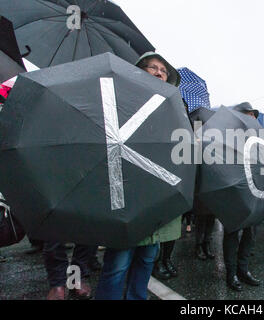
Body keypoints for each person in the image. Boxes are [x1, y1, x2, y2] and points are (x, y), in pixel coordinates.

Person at [95, 52, 181, 300]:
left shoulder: (172, 106)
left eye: (163, 70)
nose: (159, 73)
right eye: (152, 67)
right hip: (128, 190)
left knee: (147, 259)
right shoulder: (123, 100)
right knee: (119, 262)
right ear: (139, 70)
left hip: (159, 195)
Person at [221, 102, 262, 292]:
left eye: (253, 115)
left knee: (250, 234)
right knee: (232, 235)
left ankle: (243, 270)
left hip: (254, 193)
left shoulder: (259, 138)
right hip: (234, 194)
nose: (251, 118)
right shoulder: (226, 136)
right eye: (247, 114)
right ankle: (231, 274)